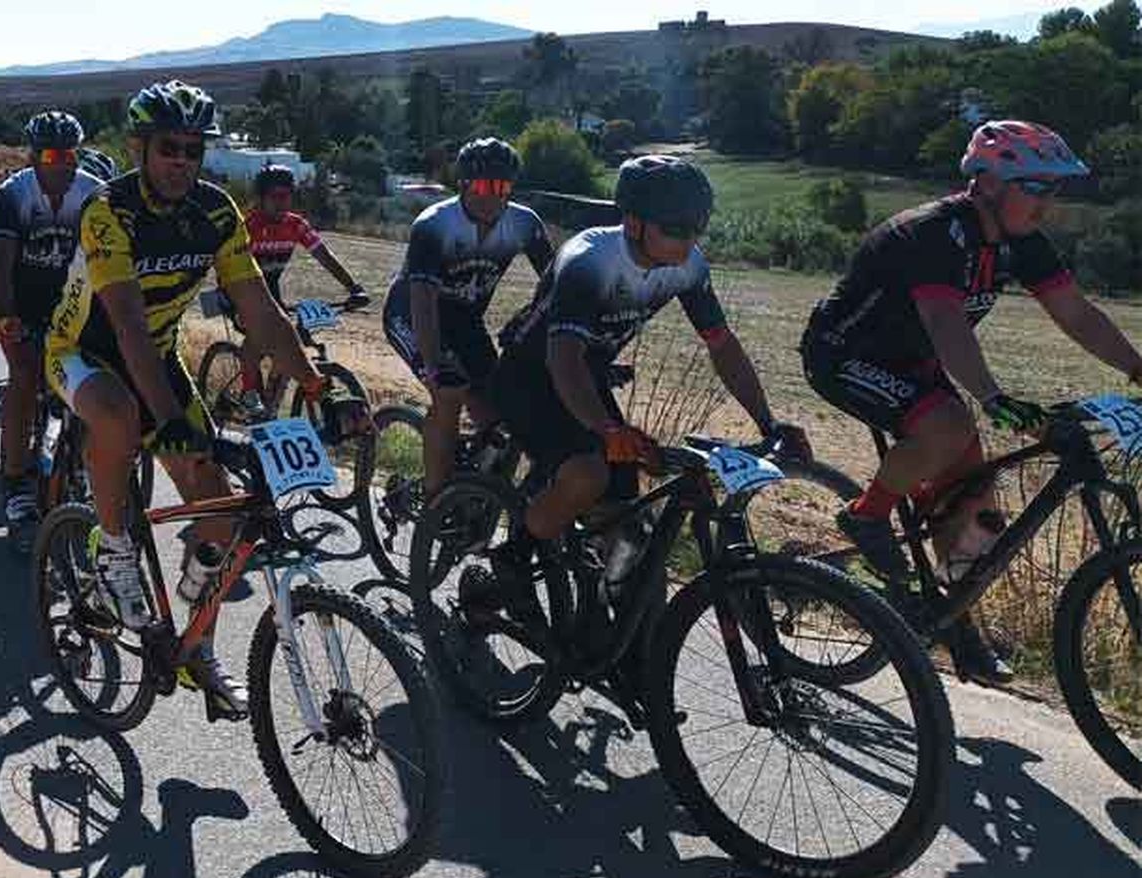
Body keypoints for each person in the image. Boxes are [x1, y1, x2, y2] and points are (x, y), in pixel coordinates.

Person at [43, 80, 364, 719]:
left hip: (156, 357)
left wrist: (316, 387)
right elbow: (128, 328)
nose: (182, 160)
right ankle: (113, 550)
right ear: (140, 147)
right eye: (169, 147)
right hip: (84, 351)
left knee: (219, 515)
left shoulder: (216, 212)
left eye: (194, 149)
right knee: (119, 416)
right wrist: (169, 420)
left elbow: (261, 312)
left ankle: (195, 645)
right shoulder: (109, 212)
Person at [801, 120, 1142, 684]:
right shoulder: (933, 233)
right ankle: (867, 515)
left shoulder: (1021, 243)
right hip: (843, 354)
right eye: (1035, 188)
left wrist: (1137, 368)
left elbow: (1077, 313)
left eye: (1054, 189)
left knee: (976, 510)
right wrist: (993, 398)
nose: (1047, 203)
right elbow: (944, 321)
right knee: (949, 424)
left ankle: (954, 623)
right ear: (988, 183)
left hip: (915, 365)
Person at [487, 155, 810, 641]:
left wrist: (768, 423)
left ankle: (612, 614)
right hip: (530, 375)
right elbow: (563, 360)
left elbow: (721, 344)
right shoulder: (588, 261)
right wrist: (606, 429)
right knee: (589, 473)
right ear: (633, 222)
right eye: (676, 229)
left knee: (624, 511)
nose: (689, 241)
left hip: (585, 375)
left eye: (697, 228)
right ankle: (514, 557)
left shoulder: (687, 266)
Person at [382, 137, 554, 498]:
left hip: (465, 322)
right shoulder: (434, 224)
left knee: (499, 414)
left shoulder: (525, 223)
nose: (493, 197)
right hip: (413, 314)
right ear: (463, 184)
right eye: (483, 186)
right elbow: (423, 302)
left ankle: (472, 491)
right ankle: (434, 502)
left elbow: (557, 286)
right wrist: (434, 365)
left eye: (502, 187)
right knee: (449, 394)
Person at [0, 110, 102, 549]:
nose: (62, 164)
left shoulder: (96, 193)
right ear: (33, 157)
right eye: (52, 155)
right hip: (26, 305)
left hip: (78, 307)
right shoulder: (12, 195)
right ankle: (16, 485)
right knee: (23, 378)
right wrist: (6, 319)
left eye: (70, 155)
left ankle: (86, 470)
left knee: (97, 382)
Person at [230, 164, 369, 416]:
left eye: (286, 196)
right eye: (275, 197)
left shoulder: (295, 225)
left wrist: (353, 288)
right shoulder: (247, 227)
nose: (282, 203)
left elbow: (324, 256)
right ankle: (249, 393)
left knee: (289, 338)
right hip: (238, 289)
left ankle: (272, 399)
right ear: (261, 199)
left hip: (269, 290)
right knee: (257, 335)